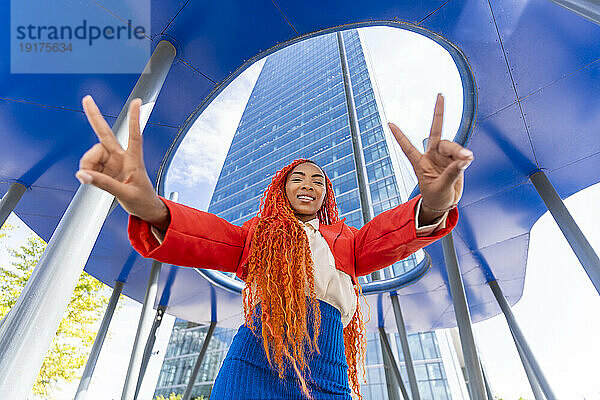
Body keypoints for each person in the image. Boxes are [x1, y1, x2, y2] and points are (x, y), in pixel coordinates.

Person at [76, 93, 473, 400]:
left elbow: (393, 234)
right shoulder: (258, 233)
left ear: (325, 196)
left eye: (319, 181)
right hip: (257, 353)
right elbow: (209, 237)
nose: (309, 185)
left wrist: (436, 203)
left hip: (329, 356)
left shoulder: (347, 239)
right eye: (298, 178)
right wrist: (151, 207)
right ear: (281, 190)